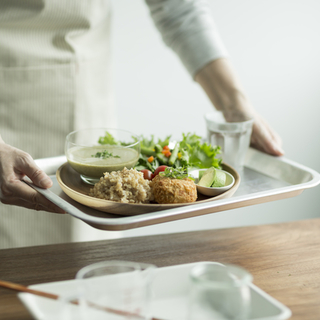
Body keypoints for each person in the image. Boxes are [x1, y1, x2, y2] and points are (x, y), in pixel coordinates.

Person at [0, 0, 283, 249]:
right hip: (7, 105)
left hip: (84, 90)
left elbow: (178, 7)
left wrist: (234, 103)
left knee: (90, 262)